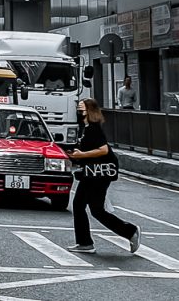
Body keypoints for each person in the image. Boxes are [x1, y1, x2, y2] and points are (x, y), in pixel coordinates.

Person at [67, 98, 140, 254]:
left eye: (81, 109)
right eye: (78, 109)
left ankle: (87, 242)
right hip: (92, 174)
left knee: (81, 205)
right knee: (95, 210)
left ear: (89, 111)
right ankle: (127, 232)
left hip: (97, 175)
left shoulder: (94, 128)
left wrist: (82, 154)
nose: (79, 112)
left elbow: (104, 150)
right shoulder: (86, 128)